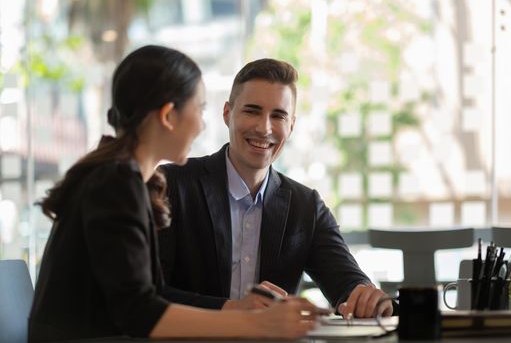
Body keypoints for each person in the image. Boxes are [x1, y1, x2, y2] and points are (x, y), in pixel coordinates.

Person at [28, 46, 322, 342]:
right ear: (169, 115)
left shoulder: (121, 176)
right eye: (199, 110)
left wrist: (236, 310)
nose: (202, 125)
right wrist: (261, 325)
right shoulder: (116, 184)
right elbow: (140, 313)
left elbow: (153, 295)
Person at [158, 58, 394, 319]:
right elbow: (147, 295)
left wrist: (366, 297)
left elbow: (347, 284)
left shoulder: (306, 206)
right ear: (227, 114)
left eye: (278, 116)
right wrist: (233, 310)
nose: (264, 128)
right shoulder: (171, 186)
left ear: (291, 126)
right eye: (252, 111)